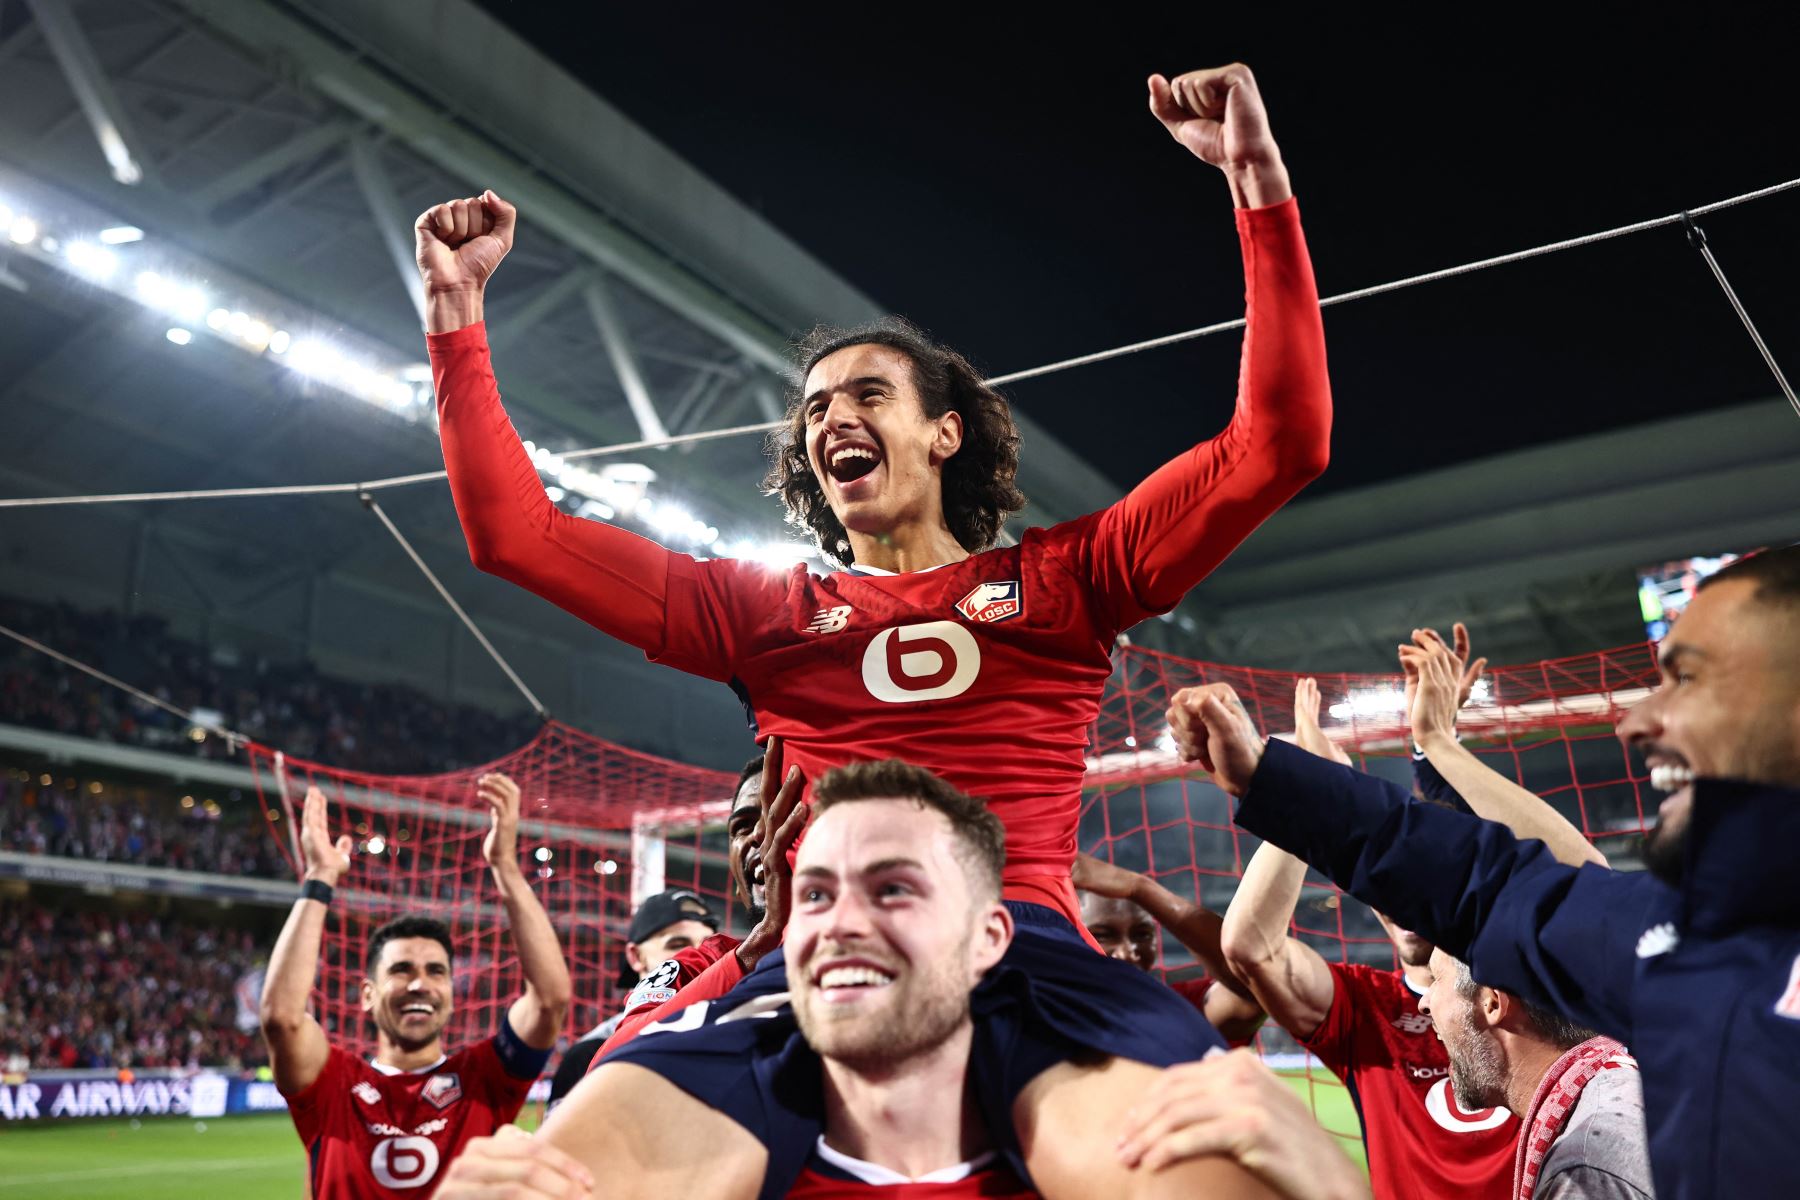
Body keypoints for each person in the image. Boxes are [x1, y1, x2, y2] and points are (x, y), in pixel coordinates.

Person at [416, 60, 1330, 933]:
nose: (831, 419)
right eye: (814, 409)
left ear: (945, 435)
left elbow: (1279, 445)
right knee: (610, 1093)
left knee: (1211, 1103)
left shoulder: (1067, 579)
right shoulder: (757, 613)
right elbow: (517, 537)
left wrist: (1256, 182)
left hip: (1024, 954)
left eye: (868, 395)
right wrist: (455, 317)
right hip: (824, 962)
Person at [1170, 543, 1800, 1198]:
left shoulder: (1618, 1031)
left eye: (1688, 679)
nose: (1636, 723)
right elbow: (1497, 883)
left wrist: (1329, 1188)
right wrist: (1287, 781)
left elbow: (1545, 877)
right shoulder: (1693, 943)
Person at [439, 761, 1297, 1200]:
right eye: (817, 892)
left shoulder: (1112, 1098)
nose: (841, 919)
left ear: (989, 934)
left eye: (892, 888)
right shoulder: (690, 1062)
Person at [1219, 675, 1523, 1200]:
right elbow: (1250, 947)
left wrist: (1439, 745)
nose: (1401, 898)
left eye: (1419, 878)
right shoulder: (1365, 1004)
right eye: (1388, 881)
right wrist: (1312, 796)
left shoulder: (1533, 985)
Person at [260, 778, 571, 1197]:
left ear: (451, 995)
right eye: (402, 970)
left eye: (436, 971)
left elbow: (551, 1001)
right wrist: (320, 878)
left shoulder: (483, 1079)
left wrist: (505, 866)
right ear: (367, 994)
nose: (420, 984)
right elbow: (281, 1018)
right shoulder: (333, 1081)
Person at [1417, 950, 1652, 1200]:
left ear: (1492, 1002)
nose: (1423, 1003)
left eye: (1436, 978)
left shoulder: (1583, 1172)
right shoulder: (1620, 1088)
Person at [545, 885, 721, 1108]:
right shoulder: (590, 1053)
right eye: (678, 945)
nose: (698, 959)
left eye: (708, 946)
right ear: (636, 956)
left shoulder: (741, 1029)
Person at [1071, 852, 1265, 1045]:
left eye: (1142, 934)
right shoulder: (1045, 1013)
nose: (1128, 952)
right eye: (1102, 935)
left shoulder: (1178, 1009)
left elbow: (1256, 987)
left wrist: (1139, 887)